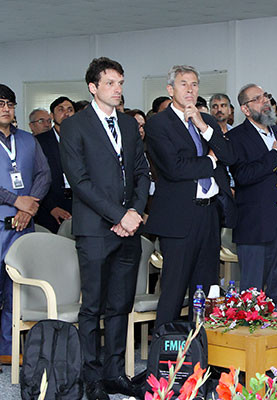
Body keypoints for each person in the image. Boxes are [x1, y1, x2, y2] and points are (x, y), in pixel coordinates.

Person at [60, 57, 150, 400]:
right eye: (111, 83)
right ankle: (91, 377)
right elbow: (80, 182)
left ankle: (114, 373)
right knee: (93, 307)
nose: (118, 89)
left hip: (130, 227)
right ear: (93, 87)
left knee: (120, 305)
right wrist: (118, 215)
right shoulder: (74, 126)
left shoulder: (128, 125)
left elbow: (142, 172)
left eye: (121, 83)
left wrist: (135, 212)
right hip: (96, 229)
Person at [145, 65, 235, 329]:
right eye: (184, 84)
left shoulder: (205, 120)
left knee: (208, 289)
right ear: (170, 89)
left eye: (194, 84)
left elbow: (229, 156)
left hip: (209, 213)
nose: (190, 89)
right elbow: (174, 169)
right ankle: (164, 356)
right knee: (174, 289)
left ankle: (204, 352)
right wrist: (209, 160)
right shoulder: (158, 124)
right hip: (178, 217)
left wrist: (202, 126)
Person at [228, 84, 277, 311]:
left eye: (266, 96)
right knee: (253, 289)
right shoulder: (236, 137)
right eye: (257, 99)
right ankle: (252, 337)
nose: (265, 101)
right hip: (255, 223)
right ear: (246, 109)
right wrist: (275, 156)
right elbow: (243, 175)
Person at [0, 84, 50, 364]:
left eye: (10, 103)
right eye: (0, 103)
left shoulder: (29, 139)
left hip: (22, 228)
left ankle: (7, 350)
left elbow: (44, 174)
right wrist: (16, 200)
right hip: (1, 222)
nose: (6, 108)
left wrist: (29, 206)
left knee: (17, 291)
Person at [34, 96, 78, 232]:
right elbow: (35, 178)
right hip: (50, 207)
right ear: (52, 115)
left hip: (78, 204)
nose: (66, 113)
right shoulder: (39, 141)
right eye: (61, 109)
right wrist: (51, 207)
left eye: (70, 109)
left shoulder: (82, 140)